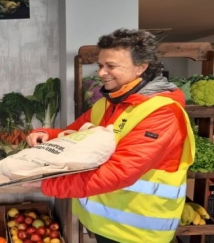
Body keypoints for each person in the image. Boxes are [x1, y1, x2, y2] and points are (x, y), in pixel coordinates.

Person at [26, 29, 195, 243]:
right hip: (105, 226)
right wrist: (46, 134)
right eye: (100, 65)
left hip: (138, 234)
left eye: (111, 66)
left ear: (141, 67)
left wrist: (48, 185)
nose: (101, 73)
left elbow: (119, 173)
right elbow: (72, 135)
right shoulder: (106, 104)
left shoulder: (162, 113)